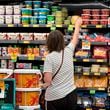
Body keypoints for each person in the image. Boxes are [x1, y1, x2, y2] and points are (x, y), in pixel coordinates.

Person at [42, 17, 82, 110]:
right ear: (62, 41)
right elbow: (75, 37)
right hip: (71, 94)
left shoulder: (49, 58)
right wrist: (77, 24)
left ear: (49, 43)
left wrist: (41, 84)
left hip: (55, 97)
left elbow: (48, 81)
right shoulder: (68, 50)